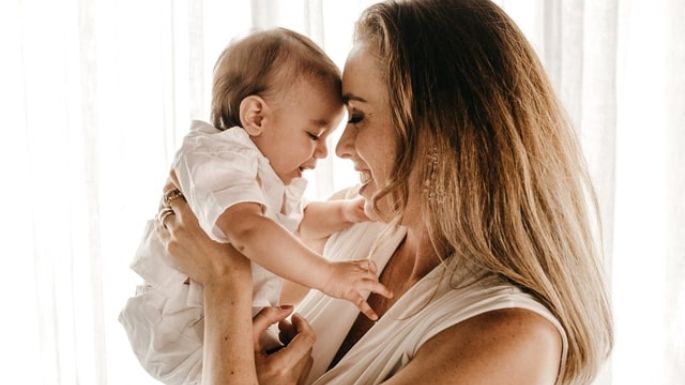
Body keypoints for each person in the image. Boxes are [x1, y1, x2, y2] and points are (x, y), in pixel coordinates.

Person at [123, 0, 614, 384]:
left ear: (439, 130)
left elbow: (230, 300)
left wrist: (224, 279)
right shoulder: (362, 235)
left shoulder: (509, 338)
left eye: (356, 116)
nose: (339, 149)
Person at [120, 27, 392, 385]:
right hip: (184, 330)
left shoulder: (262, 176)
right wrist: (328, 275)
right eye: (314, 134)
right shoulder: (217, 155)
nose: (325, 151)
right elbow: (250, 232)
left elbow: (291, 225)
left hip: (223, 318)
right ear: (256, 117)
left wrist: (346, 212)